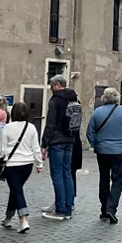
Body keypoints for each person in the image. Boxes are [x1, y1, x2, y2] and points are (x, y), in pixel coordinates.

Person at [86, 87, 122, 225]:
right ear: (117, 97)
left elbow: (89, 132)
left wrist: (95, 145)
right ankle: (111, 208)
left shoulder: (97, 113)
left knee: (103, 179)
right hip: (119, 151)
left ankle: (103, 209)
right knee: (117, 180)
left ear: (104, 98)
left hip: (102, 151)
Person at [0, 102, 43, 234]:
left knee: (16, 190)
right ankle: (8, 218)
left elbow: (3, 149)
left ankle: (23, 219)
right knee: (16, 189)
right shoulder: (31, 128)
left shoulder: (8, 127)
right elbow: (35, 147)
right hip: (27, 165)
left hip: (12, 165)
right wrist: (39, 163)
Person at [40, 74, 77, 221]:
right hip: (70, 139)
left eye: (51, 85)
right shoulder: (74, 97)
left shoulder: (55, 100)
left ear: (56, 85)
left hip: (57, 141)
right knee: (67, 173)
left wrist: (44, 144)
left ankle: (60, 210)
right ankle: (68, 209)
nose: (50, 88)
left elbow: (50, 123)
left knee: (57, 175)